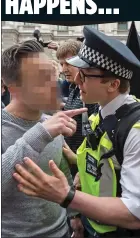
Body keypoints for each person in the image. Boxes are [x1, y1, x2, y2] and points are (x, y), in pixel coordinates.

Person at [13, 27, 140, 237]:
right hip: (95, 224)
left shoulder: (134, 130)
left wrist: (66, 196)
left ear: (113, 84)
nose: (77, 80)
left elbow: (134, 214)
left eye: (85, 75)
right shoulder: (101, 113)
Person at [1, 40, 87, 238]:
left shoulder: (52, 123)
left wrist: (73, 214)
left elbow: (60, 169)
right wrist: (41, 134)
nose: (54, 85)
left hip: (61, 231)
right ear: (13, 88)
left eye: (52, 75)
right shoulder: (45, 129)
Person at [56, 40, 99, 176]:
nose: (63, 69)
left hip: (86, 170)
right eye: (61, 64)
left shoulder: (92, 93)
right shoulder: (73, 87)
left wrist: (79, 161)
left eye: (68, 63)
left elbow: (97, 139)